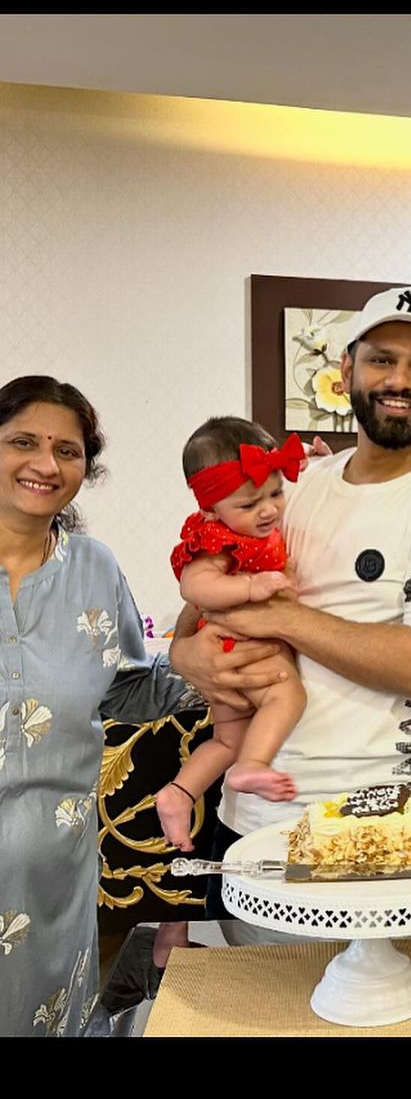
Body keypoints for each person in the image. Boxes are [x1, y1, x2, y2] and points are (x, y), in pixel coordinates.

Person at [169, 287, 411, 910]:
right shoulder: (295, 486)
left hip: (369, 816)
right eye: (381, 359)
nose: (398, 379)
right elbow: (206, 595)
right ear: (346, 370)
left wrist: (281, 617)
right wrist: (185, 654)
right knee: (250, 993)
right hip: (250, 808)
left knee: (369, 997)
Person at [0, 375, 249, 1036]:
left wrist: (207, 655)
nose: (46, 464)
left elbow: (132, 687)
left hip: (58, 874)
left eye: (68, 449)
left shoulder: (93, 568)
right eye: (22, 441)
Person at [154, 418, 308, 852]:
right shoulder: (216, 540)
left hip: (226, 650)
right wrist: (250, 587)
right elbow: (194, 587)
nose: (268, 511)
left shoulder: (243, 527)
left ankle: (179, 793)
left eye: (276, 493)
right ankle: (252, 766)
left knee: (227, 740)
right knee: (288, 695)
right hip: (236, 646)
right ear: (210, 509)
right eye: (248, 503)